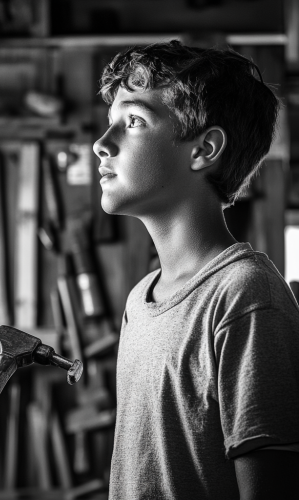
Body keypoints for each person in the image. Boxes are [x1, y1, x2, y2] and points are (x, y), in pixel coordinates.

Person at [93, 41, 299, 499]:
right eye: (111, 124)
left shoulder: (246, 296)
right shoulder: (140, 300)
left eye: (133, 122)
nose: (101, 145)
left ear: (203, 149)